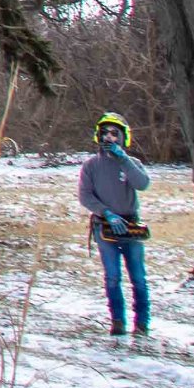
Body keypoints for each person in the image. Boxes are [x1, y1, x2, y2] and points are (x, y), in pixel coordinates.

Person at [79, 111, 154, 337]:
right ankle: (118, 321)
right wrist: (107, 213)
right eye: (105, 133)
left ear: (123, 137)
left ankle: (142, 322)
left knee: (138, 277)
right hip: (105, 227)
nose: (109, 137)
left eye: (115, 133)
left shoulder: (133, 163)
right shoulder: (91, 166)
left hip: (130, 227)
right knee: (112, 277)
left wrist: (123, 159)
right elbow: (85, 196)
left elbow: (143, 184)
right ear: (98, 136)